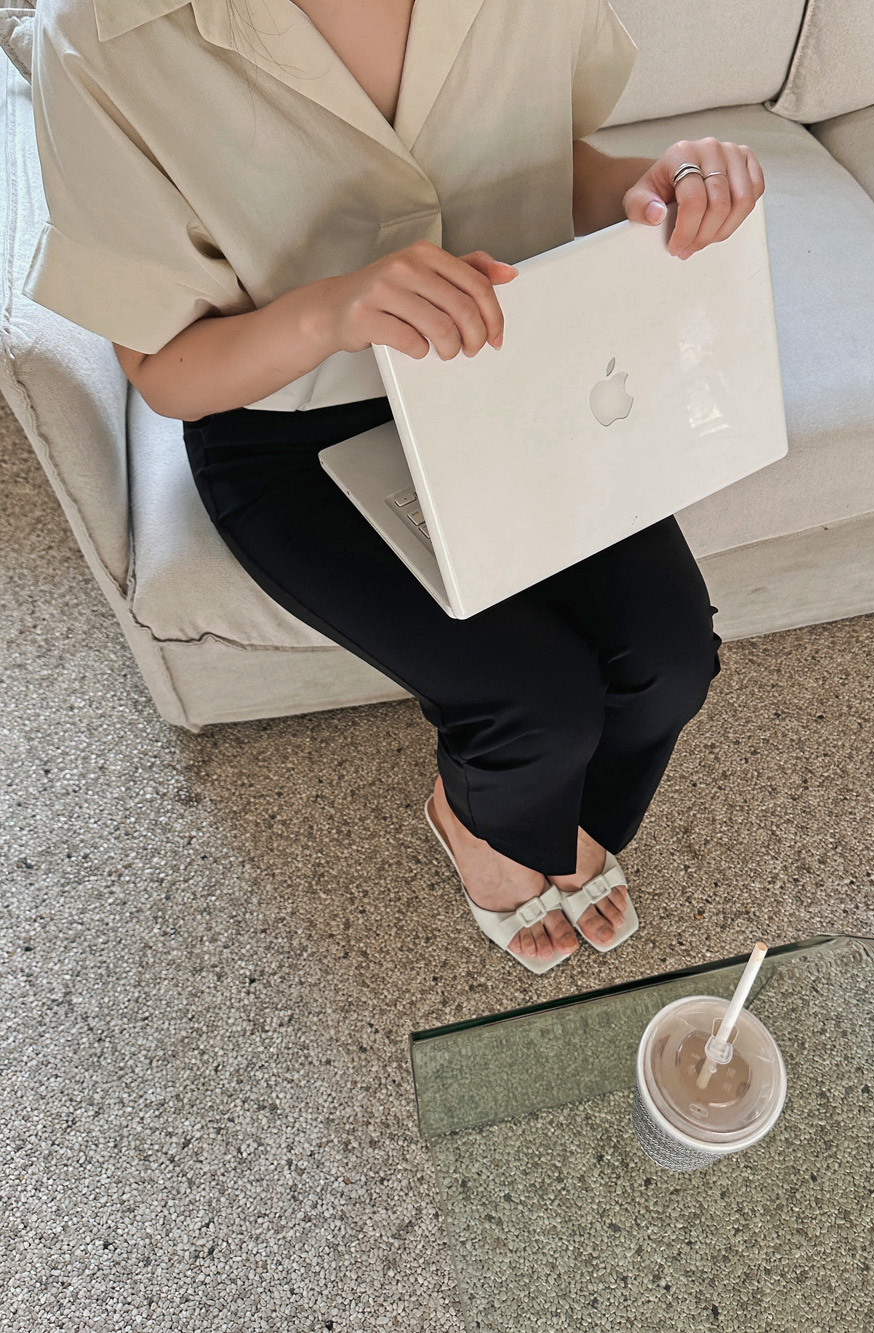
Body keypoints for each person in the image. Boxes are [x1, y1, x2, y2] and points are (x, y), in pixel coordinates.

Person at [23, 0, 764, 974]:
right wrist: (331, 310)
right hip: (289, 418)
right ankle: (481, 820)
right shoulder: (96, 34)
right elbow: (163, 371)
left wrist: (655, 190)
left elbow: (552, 159)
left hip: (509, 369)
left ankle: (517, 815)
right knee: (534, 702)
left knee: (670, 659)